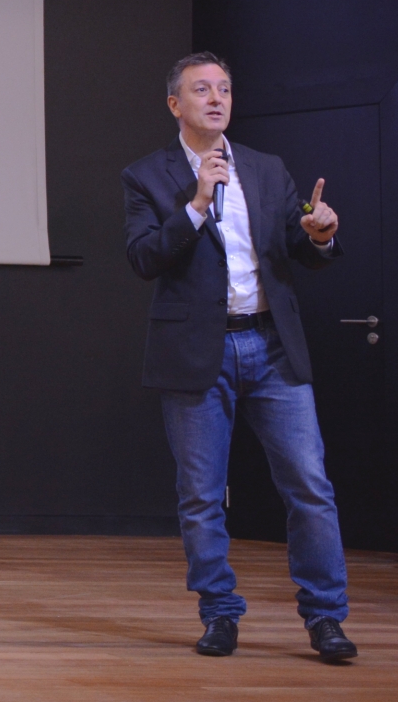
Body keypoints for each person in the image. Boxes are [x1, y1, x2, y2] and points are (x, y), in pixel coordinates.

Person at [121, 53, 357, 663]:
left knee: (309, 484)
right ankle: (219, 613)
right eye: (202, 89)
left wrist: (320, 234)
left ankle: (325, 617)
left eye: (224, 89)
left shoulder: (266, 167)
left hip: (272, 345)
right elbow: (144, 257)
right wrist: (197, 204)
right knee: (201, 494)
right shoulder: (146, 176)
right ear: (175, 104)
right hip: (196, 351)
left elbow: (295, 248)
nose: (216, 99)